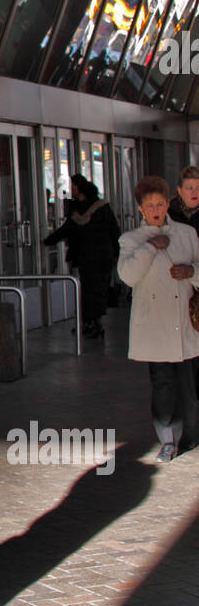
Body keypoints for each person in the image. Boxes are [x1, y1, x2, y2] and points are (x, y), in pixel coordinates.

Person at [118, 175, 199, 462]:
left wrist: (191, 272)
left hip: (184, 322)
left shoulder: (187, 234)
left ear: (168, 203)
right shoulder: (130, 240)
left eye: (161, 203)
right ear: (140, 208)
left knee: (189, 386)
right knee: (163, 384)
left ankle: (191, 436)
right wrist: (152, 246)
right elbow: (128, 276)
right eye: (149, 204)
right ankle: (168, 440)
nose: (156, 209)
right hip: (153, 324)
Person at [44, 173, 120, 339]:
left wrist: (46, 241)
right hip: (104, 256)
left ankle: (91, 324)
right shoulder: (103, 206)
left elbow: (67, 229)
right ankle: (95, 323)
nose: (70, 190)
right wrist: (117, 252)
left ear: (78, 188)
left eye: (71, 187)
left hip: (87, 256)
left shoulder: (80, 210)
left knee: (88, 291)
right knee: (99, 289)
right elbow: (115, 230)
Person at [168, 164, 199, 234]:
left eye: (198, 188)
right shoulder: (168, 214)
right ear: (179, 190)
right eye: (189, 188)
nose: (194, 193)